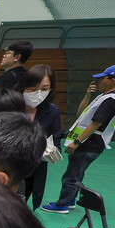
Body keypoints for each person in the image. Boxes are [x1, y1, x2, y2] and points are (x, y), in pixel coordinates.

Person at [41, 64, 115, 213]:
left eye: (103, 79)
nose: (99, 82)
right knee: (76, 171)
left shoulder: (110, 99)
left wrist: (77, 142)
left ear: (112, 80)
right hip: (88, 143)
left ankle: (62, 204)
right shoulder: (103, 97)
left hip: (89, 143)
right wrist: (88, 94)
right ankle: (70, 199)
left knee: (72, 175)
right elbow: (80, 113)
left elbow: (96, 123)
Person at [16, 64, 62, 210]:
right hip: (6, 168)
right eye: (32, 89)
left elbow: (56, 143)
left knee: (19, 207)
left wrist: (48, 152)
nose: (38, 94)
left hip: (31, 171)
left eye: (44, 89)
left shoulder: (52, 111)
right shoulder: (10, 105)